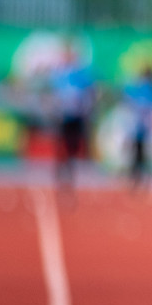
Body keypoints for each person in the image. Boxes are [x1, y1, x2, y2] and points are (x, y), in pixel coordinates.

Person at [50, 41, 96, 194]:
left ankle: (70, 168)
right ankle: (61, 169)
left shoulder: (81, 75)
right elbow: (54, 95)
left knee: (74, 144)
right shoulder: (60, 75)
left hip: (77, 116)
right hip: (64, 116)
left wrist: (87, 107)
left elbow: (90, 92)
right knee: (61, 142)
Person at [122, 65, 152, 192]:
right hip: (140, 128)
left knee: (141, 156)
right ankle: (138, 180)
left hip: (143, 129)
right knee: (138, 156)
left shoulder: (150, 90)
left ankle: (140, 180)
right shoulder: (146, 90)